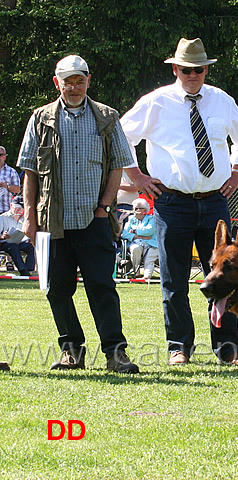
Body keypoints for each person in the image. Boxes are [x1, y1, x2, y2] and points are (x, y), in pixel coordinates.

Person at [121, 38, 238, 366]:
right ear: (175, 69)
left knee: (227, 277)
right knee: (174, 279)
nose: (193, 74)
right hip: (171, 202)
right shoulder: (156, 102)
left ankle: (228, 348)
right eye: (186, 69)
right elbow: (120, 136)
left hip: (214, 203)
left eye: (199, 69)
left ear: (206, 69)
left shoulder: (221, 100)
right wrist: (137, 178)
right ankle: (178, 347)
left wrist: (237, 172)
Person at [17, 54, 139, 373]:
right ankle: (72, 351)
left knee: (102, 287)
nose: (73, 87)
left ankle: (116, 353)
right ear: (57, 82)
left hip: (93, 219)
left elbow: (118, 164)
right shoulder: (40, 118)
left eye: (79, 80)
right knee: (56, 289)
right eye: (67, 81)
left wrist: (104, 208)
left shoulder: (106, 117)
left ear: (88, 81)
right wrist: (30, 216)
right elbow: (29, 170)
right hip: (51, 222)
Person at [121, 197, 158, 279]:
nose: (135, 210)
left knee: (150, 257)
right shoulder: (131, 219)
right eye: (134, 208)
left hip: (152, 243)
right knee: (135, 249)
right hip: (136, 242)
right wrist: (137, 236)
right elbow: (124, 233)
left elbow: (149, 231)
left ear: (144, 210)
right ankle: (136, 273)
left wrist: (134, 231)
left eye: (138, 208)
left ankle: (146, 277)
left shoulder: (151, 218)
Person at [0, 195, 35, 276]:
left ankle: (29, 269)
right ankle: (24, 271)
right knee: (13, 247)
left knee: (31, 247)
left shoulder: (23, 219)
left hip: (18, 242)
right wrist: (2, 236)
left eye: (21, 208)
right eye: (17, 207)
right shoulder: (2, 218)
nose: (19, 210)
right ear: (11, 205)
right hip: (4, 243)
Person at [0, 146, 21, 215]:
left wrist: (6, 185)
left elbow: (17, 189)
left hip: (5, 211)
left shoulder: (11, 172)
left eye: (0, 155)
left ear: (5, 156)